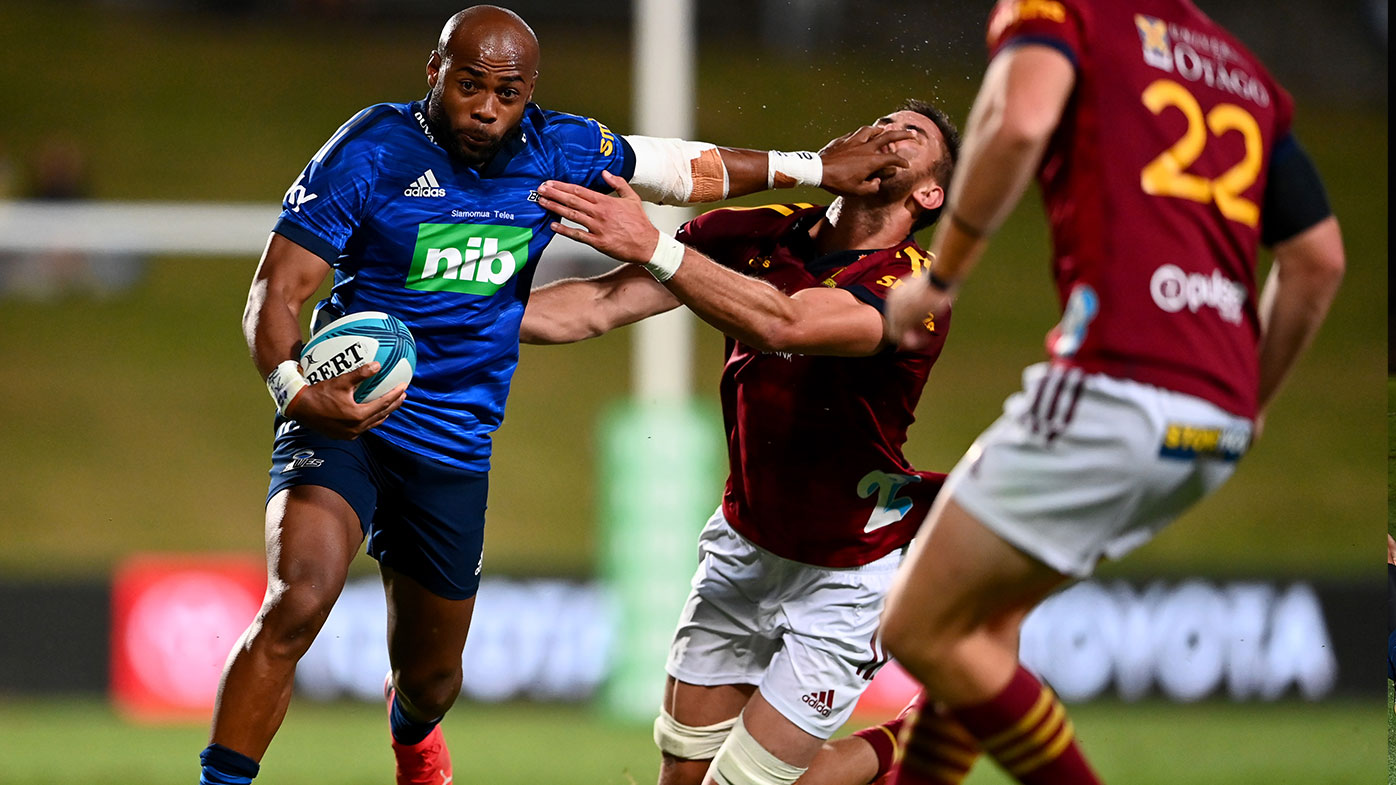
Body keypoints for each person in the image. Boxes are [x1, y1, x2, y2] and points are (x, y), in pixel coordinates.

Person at [198, 6, 912, 785]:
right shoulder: (372, 149)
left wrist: (813, 168)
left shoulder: (560, 146)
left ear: (529, 91)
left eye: (506, 92)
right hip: (343, 418)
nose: (485, 107)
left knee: (433, 679)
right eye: (469, 85)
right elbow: (275, 293)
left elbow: (683, 168)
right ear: (435, 72)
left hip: (455, 440)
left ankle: (414, 739)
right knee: (298, 598)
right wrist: (295, 390)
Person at [877, 1, 1345, 783]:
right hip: (1213, 419)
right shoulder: (1241, 72)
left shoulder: (1069, 11)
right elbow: (1318, 260)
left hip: (1117, 385)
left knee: (916, 626)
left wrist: (941, 276)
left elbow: (1021, 120)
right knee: (982, 626)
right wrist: (1250, 401)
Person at [520, 101, 960, 785]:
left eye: (913, 134)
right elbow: (593, 307)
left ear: (929, 193)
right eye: (880, 121)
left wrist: (657, 248)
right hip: (743, 548)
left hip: (845, 568)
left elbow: (782, 322)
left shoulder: (918, 288)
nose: (887, 132)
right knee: (683, 776)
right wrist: (440, 317)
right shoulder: (753, 236)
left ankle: (920, 735)